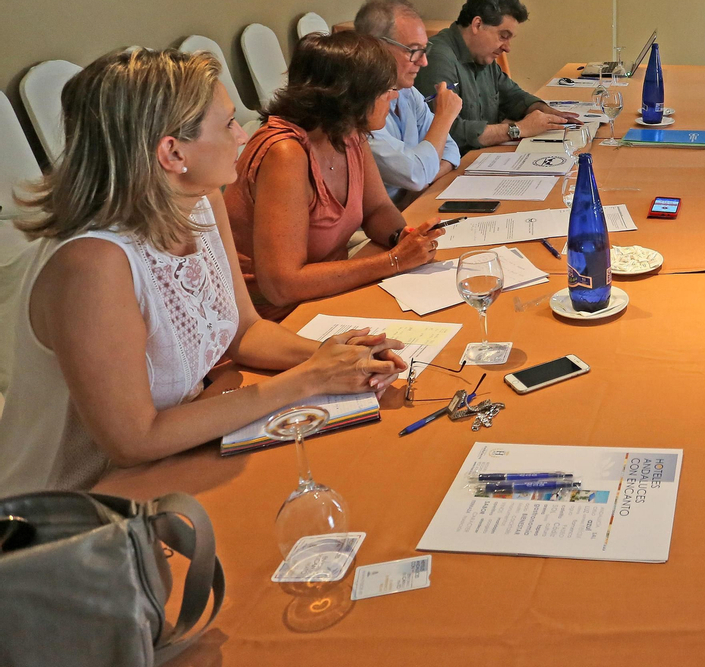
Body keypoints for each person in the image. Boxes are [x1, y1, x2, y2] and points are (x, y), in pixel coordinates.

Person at [0, 49, 407, 495]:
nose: (241, 134)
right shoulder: (91, 264)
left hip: (176, 462)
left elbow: (244, 331)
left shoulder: (202, 201)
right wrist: (307, 379)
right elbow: (135, 440)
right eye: (228, 123)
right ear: (173, 153)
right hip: (76, 510)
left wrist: (337, 358)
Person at [225, 32, 446, 321]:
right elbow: (281, 286)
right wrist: (393, 260)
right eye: (387, 89)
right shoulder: (285, 153)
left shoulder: (349, 132)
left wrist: (401, 238)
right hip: (277, 318)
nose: (394, 96)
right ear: (353, 96)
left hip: (326, 296)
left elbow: (377, 209)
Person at [415, 0, 578, 150]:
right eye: (503, 36)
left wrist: (546, 112)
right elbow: (447, 132)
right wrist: (518, 129)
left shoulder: (483, 56)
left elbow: (513, 96)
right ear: (477, 24)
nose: (507, 48)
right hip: (451, 168)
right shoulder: (436, 58)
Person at [354, 0, 463, 201]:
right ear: (375, 47)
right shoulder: (358, 106)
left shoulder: (406, 91)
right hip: (369, 226)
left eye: (424, 50)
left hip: (409, 205)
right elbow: (416, 174)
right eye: (414, 50)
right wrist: (444, 117)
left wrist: (425, 179)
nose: (424, 62)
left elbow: (449, 149)